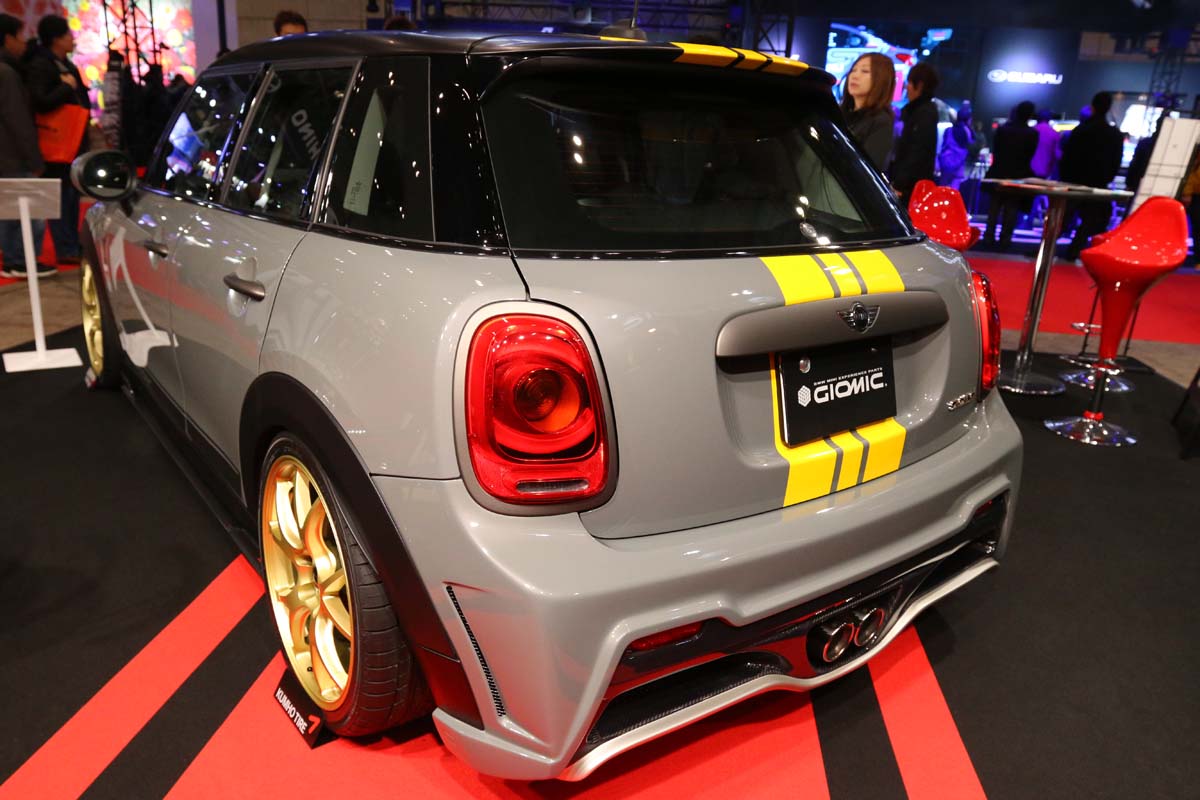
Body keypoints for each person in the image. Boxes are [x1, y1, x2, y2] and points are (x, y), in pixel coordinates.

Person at [27, 14, 89, 267]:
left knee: (71, 196)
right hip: (56, 143)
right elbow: (41, 102)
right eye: (67, 35)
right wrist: (66, 87)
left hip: (71, 142)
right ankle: (66, 246)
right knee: (62, 197)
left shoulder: (63, 64)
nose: (72, 40)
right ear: (56, 39)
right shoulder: (42, 65)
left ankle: (72, 243)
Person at [0, 14, 54, 278]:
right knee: (27, 212)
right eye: (20, 36)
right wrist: (35, 160)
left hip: (5, 156)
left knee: (8, 212)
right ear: (7, 38)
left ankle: (14, 260)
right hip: (13, 155)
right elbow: (17, 119)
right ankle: (22, 260)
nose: (24, 42)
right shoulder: (7, 73)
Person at [1059, 91, 1125, 260]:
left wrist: (1065, 179)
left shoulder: (1080, 130)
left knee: (1063, 218)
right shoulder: (1114, 134)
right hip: (1098, 184)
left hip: (1074, 182)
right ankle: (1074, 251)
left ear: (1092, 107)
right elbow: (1115, 162)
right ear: (1109, 108)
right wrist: (1106, 178)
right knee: (1089, 221)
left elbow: (1068, 157)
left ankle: (1047, 249)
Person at [982, 100, 1038, 251]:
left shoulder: (1003, 130)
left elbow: (996, 151)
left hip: (999, 173)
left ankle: (988, 237)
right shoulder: (1032, 134)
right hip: (1017, 176)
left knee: (994, 208)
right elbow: (1029, 156)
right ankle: (1005, 240)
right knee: (1011, 210)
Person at [889, 61, 940, 204]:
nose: (906, 87)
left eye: (910, 83)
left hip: (909, 189)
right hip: (906, 184)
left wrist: (900, 183)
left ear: (920, 85)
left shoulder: (925, 113)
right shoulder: (916, 111)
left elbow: (917, 151)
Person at [839, 53, 895, 173]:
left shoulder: (881, 121)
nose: (855, 75)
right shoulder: (840, 113)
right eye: (853, 70)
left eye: (865, 71)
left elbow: (867, 171)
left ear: (881, 79)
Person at [937, 104, 974, 189]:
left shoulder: (948, 130)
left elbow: (943, 145)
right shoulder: (967, 131)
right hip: (959, 163)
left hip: (946, 161)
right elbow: (971, 143)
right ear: (968, 119)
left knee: (943, 185)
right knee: (955, 186)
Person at [1030, 108, 1061, 179]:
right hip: (1044, 171)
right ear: (1049, 119)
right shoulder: (1054, 133)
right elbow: (1057, 155)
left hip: (1028, 170)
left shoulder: (1031, 130)